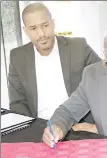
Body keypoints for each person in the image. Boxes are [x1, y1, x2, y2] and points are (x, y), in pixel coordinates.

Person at [8, 3, 101, 132]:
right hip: (37, 128)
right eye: (33, 28)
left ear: (53, 23)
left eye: (45, 25)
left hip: (77, 126)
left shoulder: (78, 47)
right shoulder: (17, 57)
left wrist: (92, 126)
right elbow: (18, 102)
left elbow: (104, 78)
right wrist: (30, 130)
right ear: (25, 31)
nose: (41, 34)